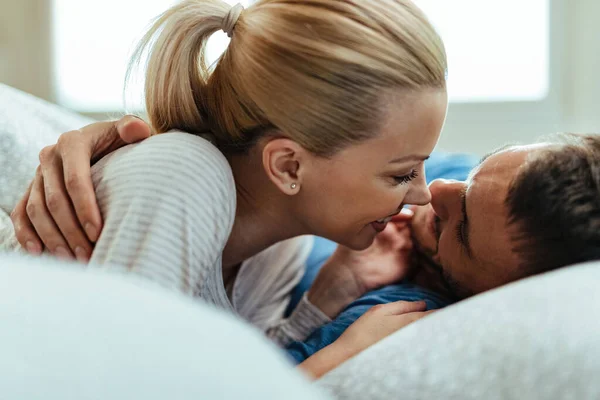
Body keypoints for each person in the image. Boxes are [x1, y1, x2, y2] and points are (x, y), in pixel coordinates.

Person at [8, 0, 448, 371]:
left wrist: (331, 294)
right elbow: (113, 383)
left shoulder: (280, 243)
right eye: (401, 174)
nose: (423, 194)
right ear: (289, 167)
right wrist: (336, 361)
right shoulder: (183, 176)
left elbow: (220, 367)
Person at [288, 133, 600, 378]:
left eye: (461, 227)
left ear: (488, 296)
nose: (434, 189)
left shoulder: (384, 321)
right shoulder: (474, 181)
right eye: (477, 171)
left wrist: (332, 340)